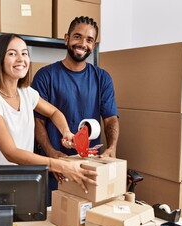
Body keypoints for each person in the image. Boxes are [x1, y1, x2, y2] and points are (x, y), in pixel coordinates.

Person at [0, 33, 97, 195]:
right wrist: (59, 165)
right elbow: (11, 153)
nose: (21, 59)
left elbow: (54, 112)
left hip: (25, 180)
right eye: (12, 53)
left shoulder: (27, 93)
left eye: (24, 53)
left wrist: (66, 132)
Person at [31, 16, 120, 205]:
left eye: (89, 40)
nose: (82, 44)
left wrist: (112, 147)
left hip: (89, 166)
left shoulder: (102, 78)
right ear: (66, 38)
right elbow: (38, 121)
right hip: (57, 167)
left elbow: (110, 119)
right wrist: (51, 153)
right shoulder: (45, 76)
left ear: (94, 46)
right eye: (77, 37)